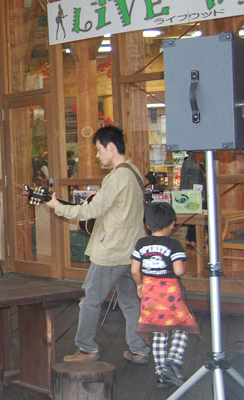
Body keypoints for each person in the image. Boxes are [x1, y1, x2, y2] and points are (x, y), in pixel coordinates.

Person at [45, 125, 149, 363]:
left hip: (111, 252)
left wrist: (57, 207)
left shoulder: (117, 177)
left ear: (111, 147)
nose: (97, 154)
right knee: (131, 303)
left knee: (90, 301)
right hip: (132, 252)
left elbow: (92, 210)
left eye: (99, 149)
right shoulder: (133, 171)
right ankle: (138, 349)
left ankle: (86, 348)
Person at [131, 203, 200, 388]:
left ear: (148, 225)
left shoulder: (141, 243)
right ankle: (172, 362)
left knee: (158, 332)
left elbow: (134, 269)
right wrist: (184, 267)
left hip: (150, 292)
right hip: (170, 294)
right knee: (182, 326)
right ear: (171, 224)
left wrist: (139, 284)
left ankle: (161, 375)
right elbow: (178, 271)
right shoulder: (174, 244)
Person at [179, 152, 205, 248]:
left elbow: (184, 181)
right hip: (195, 193)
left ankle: (192, 239)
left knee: (193, 217)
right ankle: (194, 240)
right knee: (196, 217)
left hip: (189, 193)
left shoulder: (187, 162)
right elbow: (196, 180)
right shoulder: (195, 163)